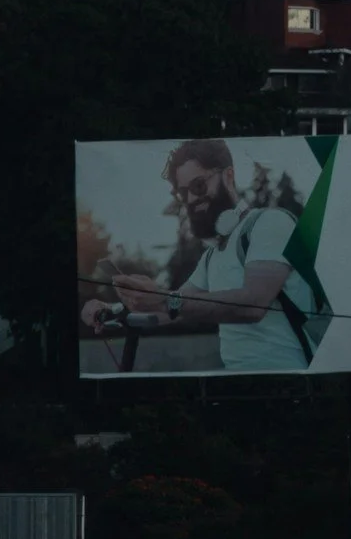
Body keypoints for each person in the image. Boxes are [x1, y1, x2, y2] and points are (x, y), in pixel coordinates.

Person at [80, 139, 322, 373]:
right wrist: (110, 309)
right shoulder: (212, 256)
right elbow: (171, 310)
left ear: (228, 176)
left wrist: (162, 297)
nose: (191, 199)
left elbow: (253, 305)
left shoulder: (269, 222)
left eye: (198, 186)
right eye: (182, 193)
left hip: (289, 380)